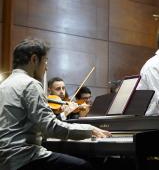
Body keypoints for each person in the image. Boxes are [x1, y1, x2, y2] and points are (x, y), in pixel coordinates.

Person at [0, 39, 111, 170]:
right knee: (83, 166)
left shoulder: (4, 85)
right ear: (34, 59)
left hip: (5, 158)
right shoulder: (30, 84)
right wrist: (89, 129)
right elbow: (50, 127)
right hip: (23, 157)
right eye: (45, 61)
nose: (46, 67)